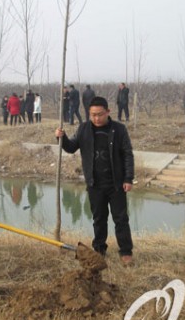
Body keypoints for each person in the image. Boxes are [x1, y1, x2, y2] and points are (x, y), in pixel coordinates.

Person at [55, 96, 135, 265]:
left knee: (120, 218)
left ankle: (126, 251)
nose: (96, 118)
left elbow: (127, 154)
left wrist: (128, 178)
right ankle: (99, 249)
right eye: (93, 115)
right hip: (94, 184)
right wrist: (61, 138)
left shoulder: (119, 130)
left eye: (100, 114)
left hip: (116, 183)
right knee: (99, 218)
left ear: (108, 112)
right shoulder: (84, 129)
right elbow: (70, 148)